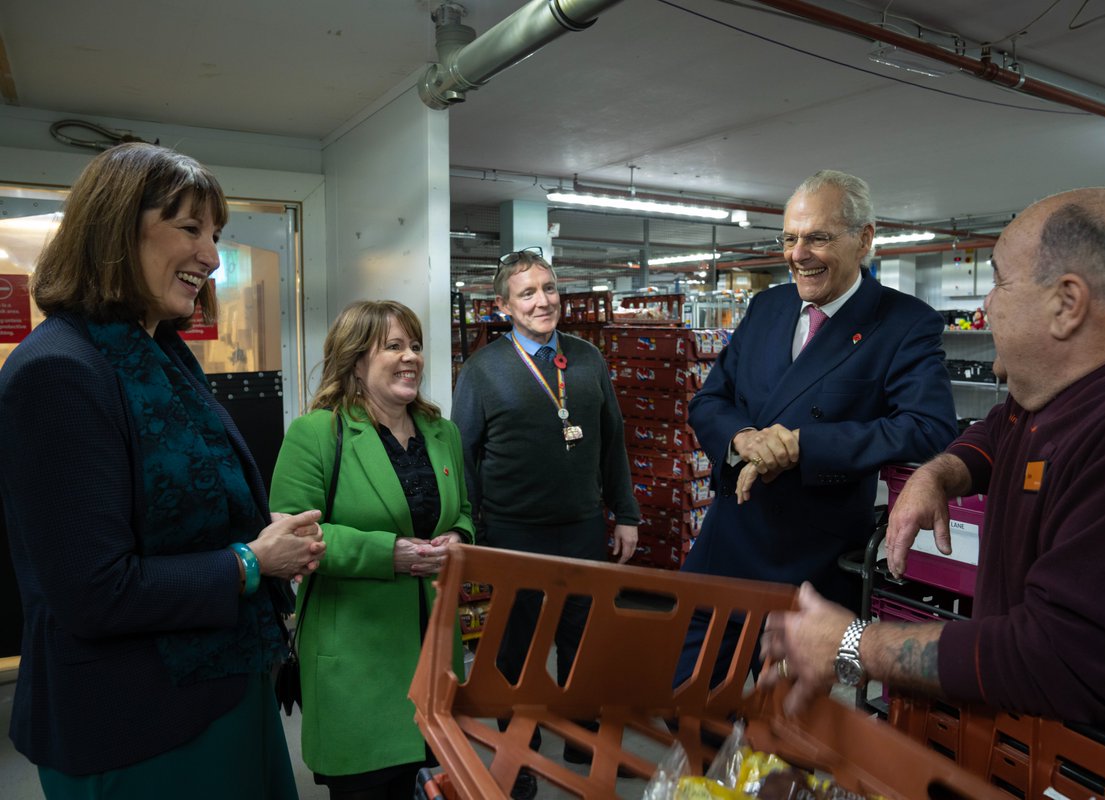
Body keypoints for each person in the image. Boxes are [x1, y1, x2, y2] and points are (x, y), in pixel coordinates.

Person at [758, 187, 1105, 773]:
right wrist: (941, 473)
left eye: (999, 282)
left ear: (1067, 303)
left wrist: (851, 643)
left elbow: (1059, 657)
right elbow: (998, 427)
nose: (986, 305)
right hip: (1041, 749)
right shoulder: (1063, 384)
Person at [0, 142, 325, 798]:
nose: (210, 256)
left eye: (216, 235)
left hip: (220, 690)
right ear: (117, 229)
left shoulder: (164, 357)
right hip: (135, 725)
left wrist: (263, 533)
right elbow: (93, 592)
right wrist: (252, 562)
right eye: (189, 229)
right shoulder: (57, 372)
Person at [675, 170, 957, 684]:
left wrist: (804, 445)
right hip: (727, 541)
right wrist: (745, 438)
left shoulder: (904, 323)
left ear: (865, 239)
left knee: (778, 730)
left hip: (808, 562)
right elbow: (710, 398)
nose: (798, 254)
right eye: (789, 238)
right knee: (684, 695)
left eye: (818, 238)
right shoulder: (767, 307)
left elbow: (927, 427)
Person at [451, 246, 640, 797]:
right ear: (503, 305)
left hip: (582, 528)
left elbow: (613, 441)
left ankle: (585, 740)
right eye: (527, 293)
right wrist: (474, 532)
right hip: (514, 534)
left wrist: (624, 513)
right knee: (518, 651)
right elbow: (463, 455)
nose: (542, 301)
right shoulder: (484, 369)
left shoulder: (586, 358)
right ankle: (521, 754)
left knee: (584, 643)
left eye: (549, 288)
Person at [270, 300, 475, 799]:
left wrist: (459, 538)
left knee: (430, 784)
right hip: (358, 661)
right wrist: (391, 554)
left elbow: (464, 511)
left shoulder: (440, 431)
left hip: (434, 655)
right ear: (356, 360)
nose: (412, 358)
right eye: (395, 346)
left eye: (416, 346)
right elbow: (292, 534)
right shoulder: (318, 433)